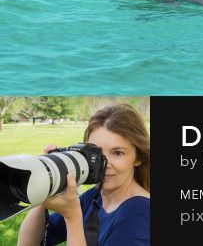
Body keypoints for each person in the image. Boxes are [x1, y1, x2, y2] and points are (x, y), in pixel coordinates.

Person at [17, 103, 150, 246]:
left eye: (118, 153)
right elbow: (29, 243)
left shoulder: (141, 212)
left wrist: (72, 217)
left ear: (138, 158)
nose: (104, 164)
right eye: (96, 153)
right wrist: (47, 184)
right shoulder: (94, 197)